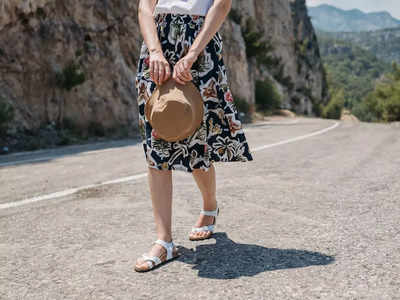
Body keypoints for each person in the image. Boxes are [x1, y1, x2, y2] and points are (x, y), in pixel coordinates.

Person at [134, 0, 254, 272]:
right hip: (157, 43)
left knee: (197, 142)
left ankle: (209, 206)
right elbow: (144, 7)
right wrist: (154, 51)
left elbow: (221, 5)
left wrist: (192, 54)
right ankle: (164, 242)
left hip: (200, 43)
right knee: (158, 140)